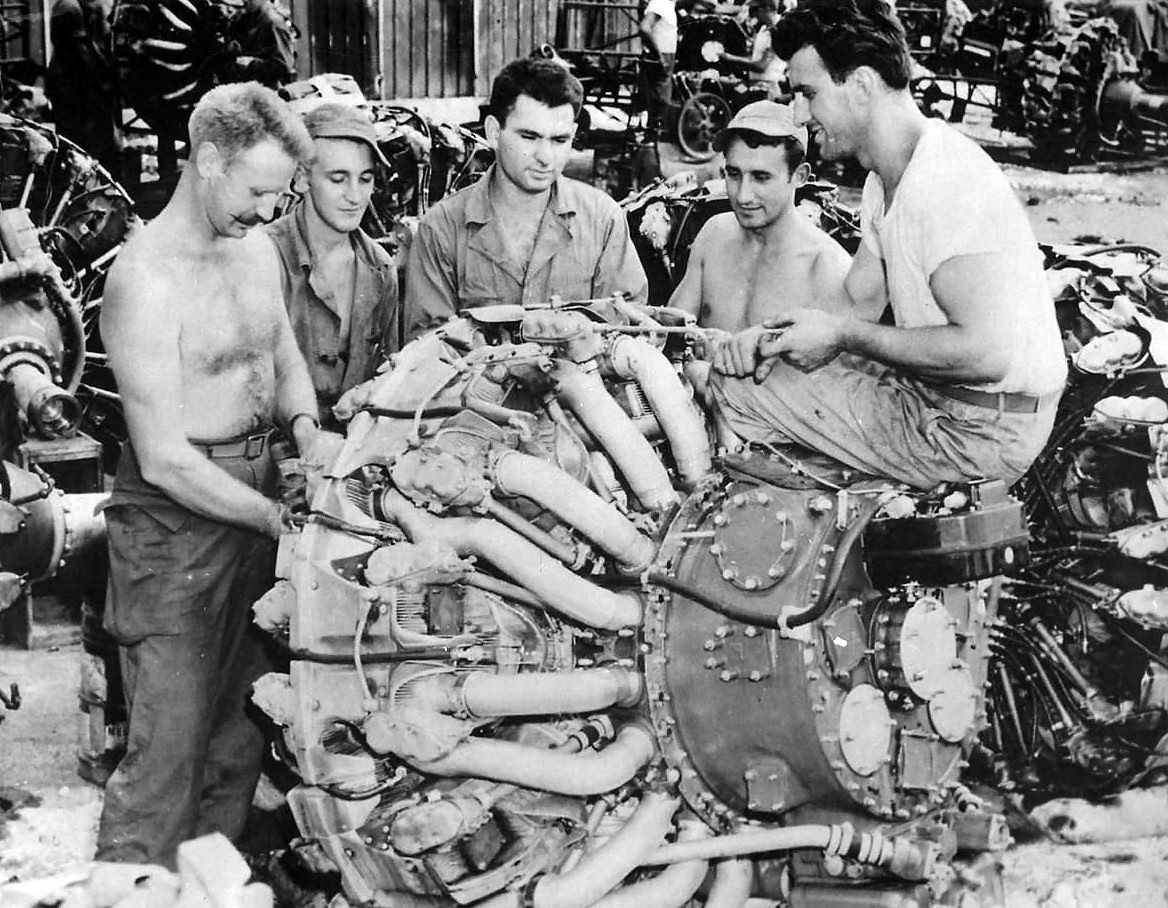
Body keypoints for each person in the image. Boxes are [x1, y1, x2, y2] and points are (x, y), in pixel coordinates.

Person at [95, 81, 321, 868]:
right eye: (259, 190)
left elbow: (282, 355)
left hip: (261, 498)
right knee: (168, 755)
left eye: (280, 194)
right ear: (208, 160)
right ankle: (132, 886)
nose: (269, 210)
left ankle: (211, 887)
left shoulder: (255, 248)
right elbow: (162, 456)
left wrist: (307, 432)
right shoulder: (144, 277)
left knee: (240, 740)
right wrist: (271, 519)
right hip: (176, 530)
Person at [707, 0, 1067, 490]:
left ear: (859, 86)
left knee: (735, 392)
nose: (798, 113)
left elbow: (986, 355)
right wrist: (767, 337)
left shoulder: (944, 182)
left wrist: (842, 337)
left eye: (807, 94)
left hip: (979, 431)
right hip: (947, 403)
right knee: (757, 378)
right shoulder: (889, 177)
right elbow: (858, 299)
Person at [403, 57, 648, 342]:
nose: (545, 157)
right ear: (494, 132)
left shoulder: (603, 219)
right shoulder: (442, 228)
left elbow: (628, 331)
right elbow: (427, 351)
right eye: (529, 137)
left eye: (559, 140)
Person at [669, 100, 851, 341]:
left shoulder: (827, 266)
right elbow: (673, 333)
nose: (743, 196)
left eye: (761, 177)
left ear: (799, 176)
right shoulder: (714, 233)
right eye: (733, 174)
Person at [266, 103, 397, 429]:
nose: (355, 196)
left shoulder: (381, 270)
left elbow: (392, 377)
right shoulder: (264, 257)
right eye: (338, 179)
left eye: (365, 179)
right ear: (301, 178)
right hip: (271, 455)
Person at [46, 0, 121, 176]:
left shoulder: (72, 6)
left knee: (84, 136)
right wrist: (102, 78)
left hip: (76, 79)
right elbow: (80, 48)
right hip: (72, 80)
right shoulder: (69, 7)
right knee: (77, 138)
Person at [718, 0, 787, 99]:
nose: (754, 14)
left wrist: (731, 58)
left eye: (756, 10)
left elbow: (761, 66)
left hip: (768, 88)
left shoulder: (778, 30)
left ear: (767, 8)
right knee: (733, 92)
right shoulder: (763, 29)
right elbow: (755, 58)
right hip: (754, 85)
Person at [640, 0, 679, 132]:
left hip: (666, 55)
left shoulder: (668, 4)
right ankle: (654, 140)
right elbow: (645, 27)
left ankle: (653, 139)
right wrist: (658, 55)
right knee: (660, 99)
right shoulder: (660, 3)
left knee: (660, 98)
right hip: (661, 56)